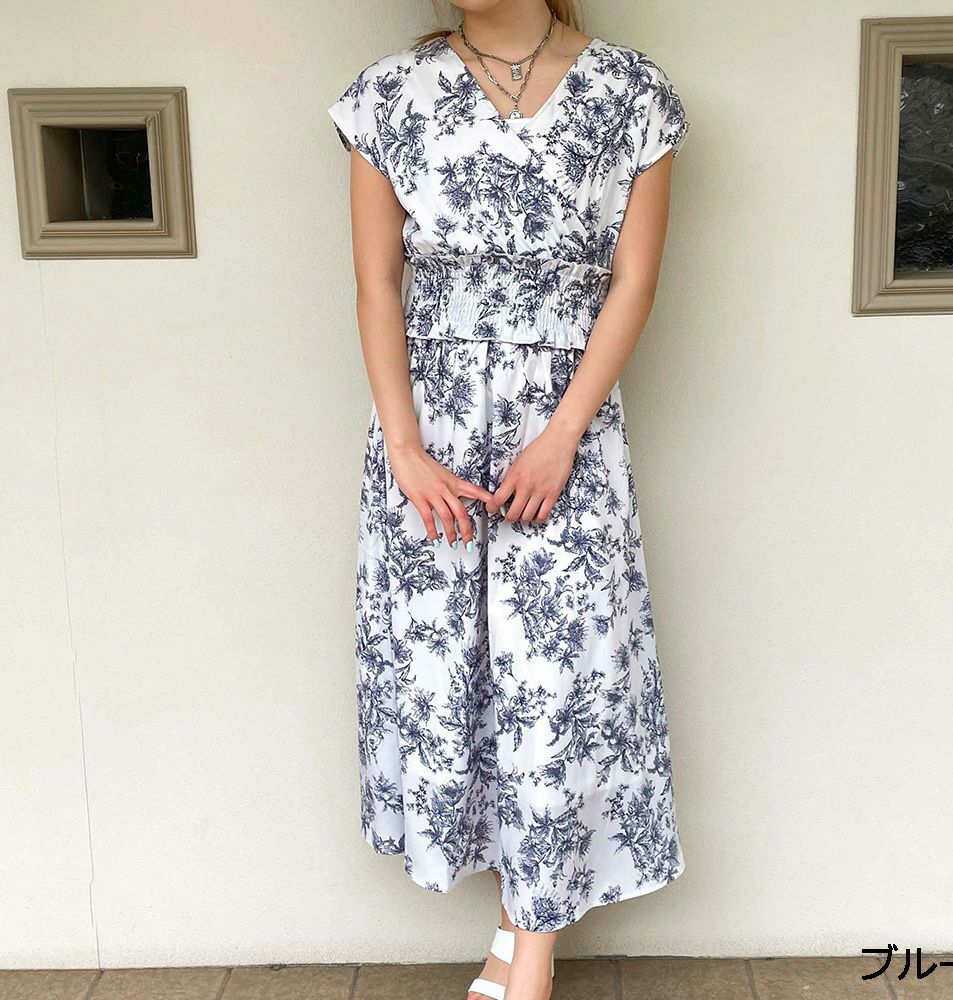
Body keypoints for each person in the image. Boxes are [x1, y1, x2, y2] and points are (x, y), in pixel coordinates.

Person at [327, 2, 691, 998]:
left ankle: (530, 954)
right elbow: (376, 283)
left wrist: (564, 433)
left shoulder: (632, 93)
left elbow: (633, 282)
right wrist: (405, 449)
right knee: (460, 679)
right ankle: (515, 927)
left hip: (566, 427)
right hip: (430, 433)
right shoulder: (386, 94)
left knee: (555, 677)